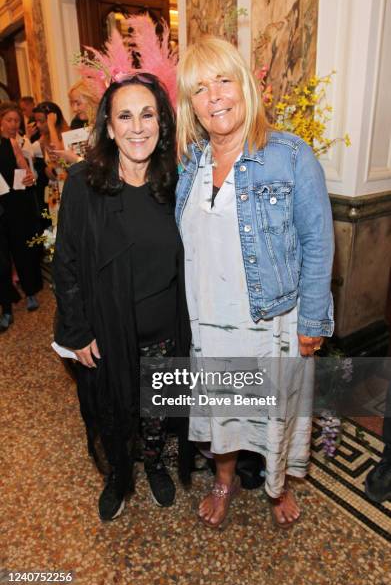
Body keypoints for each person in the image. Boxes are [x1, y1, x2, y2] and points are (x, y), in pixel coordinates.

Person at [176, 37, 335, 529]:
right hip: (210, 321)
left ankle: (276, 485)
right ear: (191, 105)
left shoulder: (289, 154)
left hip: (271, 322)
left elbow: (318, 240)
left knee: (275, 412)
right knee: (223, 412)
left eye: (224, 79)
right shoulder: (190, 165)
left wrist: (313, 318)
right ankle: (224, 481)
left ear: (244, 85)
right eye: (200, 88)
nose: (215, 95)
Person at [52, 73, 190, 521]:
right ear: (109, 128)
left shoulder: (176, 183)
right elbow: (67, 262)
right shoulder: (83, 185)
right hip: (108, 332)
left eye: (147, 114)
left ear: (161, 122)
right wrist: (76, 329)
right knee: (113, 409)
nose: (137, 126)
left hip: (165, 332)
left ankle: (152, 463)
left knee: (155, 412)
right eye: (124, 116)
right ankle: (117, 476)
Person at [0, 107, 42, 329]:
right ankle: (6, 308)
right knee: (2, 261)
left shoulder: (18, 143)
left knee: (22, 250)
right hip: (0, 208)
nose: (13, 124)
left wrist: (28, 174)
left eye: (17, 120)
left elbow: (25, 171)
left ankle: (30, 293)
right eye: (9, 120)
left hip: (17, 205)